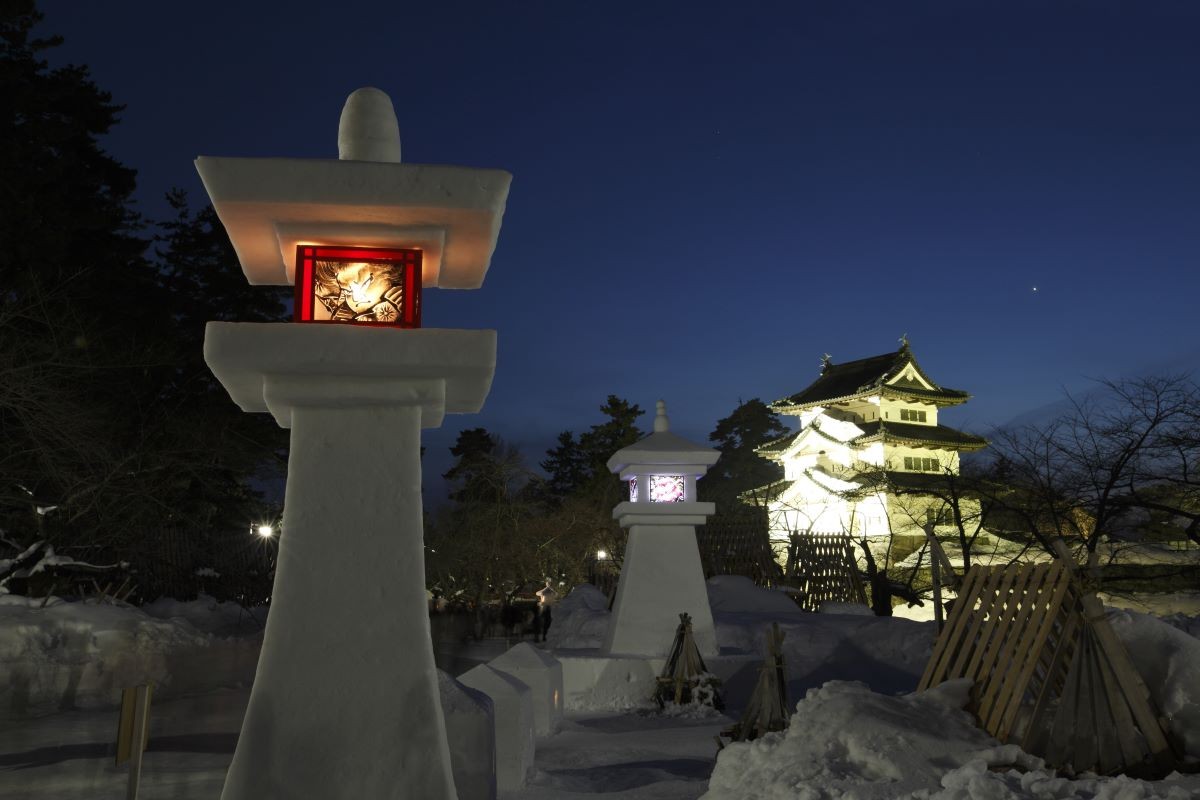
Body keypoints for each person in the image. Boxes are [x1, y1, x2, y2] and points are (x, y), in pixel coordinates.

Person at [535, 578, 559, 642]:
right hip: (548, 610)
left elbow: (538, 593)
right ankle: (545, 637)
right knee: (547, 626)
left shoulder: (546, 592)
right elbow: (556, 594)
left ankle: (544, 637)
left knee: (545, 626)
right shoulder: (549, 592)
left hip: (546, 610)